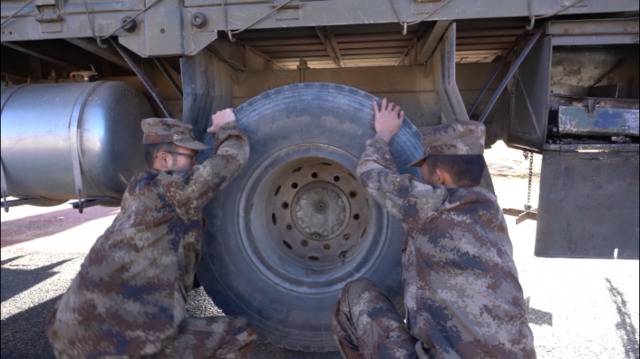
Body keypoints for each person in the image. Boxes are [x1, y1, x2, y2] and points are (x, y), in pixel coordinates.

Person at [332, 98, 535, 358]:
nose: (422, 177)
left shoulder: (432, 204)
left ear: (441, 177)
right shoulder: (490, 210)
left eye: (424, 170)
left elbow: (371, 174)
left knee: (354, 295)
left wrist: (382, 134)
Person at [47, 109, 255, 358]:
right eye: (191, 156)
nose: (196, 164)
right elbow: (227, 163)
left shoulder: (141, 193)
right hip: (119, 345)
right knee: (239, 334)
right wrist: (228, 127)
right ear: (165, 160)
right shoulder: (167, 190)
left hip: (72, 340)